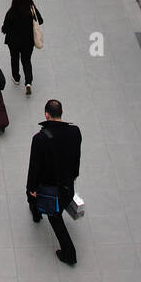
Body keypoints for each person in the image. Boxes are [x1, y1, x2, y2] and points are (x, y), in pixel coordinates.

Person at [26, 98, 81, 266]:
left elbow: (34, 166)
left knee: (54, 217)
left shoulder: (40, 139)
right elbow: (76, 156)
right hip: (67, 184)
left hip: (48, 187)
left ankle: (69, 253)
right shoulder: (75, 132)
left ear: (46, 115)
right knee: (58, 207)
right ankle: (36, 211)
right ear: (62, 113)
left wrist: (31, 187)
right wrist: (74, 175)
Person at [1, 0, 43, 95]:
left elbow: (4, 29)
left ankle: (16, 78)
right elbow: (40, 21)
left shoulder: (11, 12)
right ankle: (28, 82)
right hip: (28, 42)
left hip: (13, 42)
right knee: (26, 61)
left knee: (14, 58)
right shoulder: (31, 9)